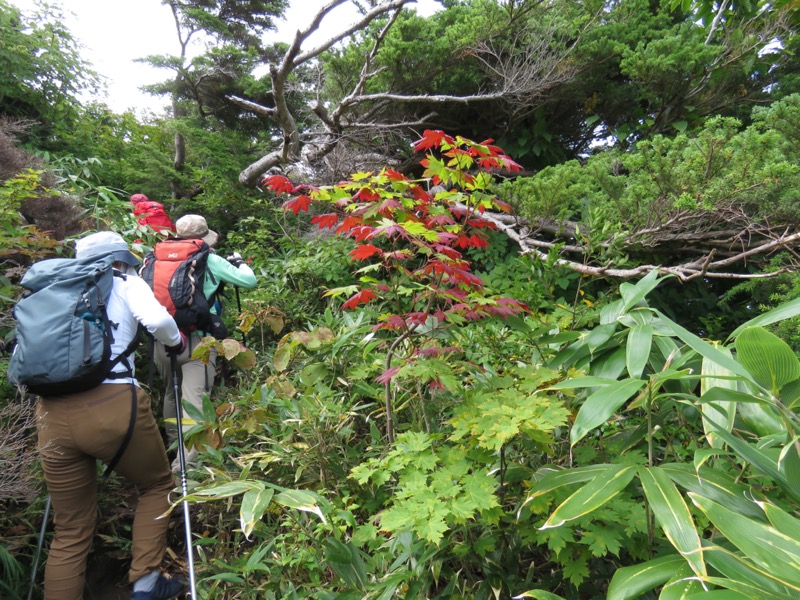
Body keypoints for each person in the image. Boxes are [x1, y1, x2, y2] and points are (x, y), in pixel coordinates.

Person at [34, 231, 186, 600]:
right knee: (155, 486)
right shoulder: (125, 281)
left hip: (50, 413)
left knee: (70, 528)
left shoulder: (50, 288)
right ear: (121, 257)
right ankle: (147, 584)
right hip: (114, 403)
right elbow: (159, 322)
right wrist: (176, 343)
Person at [152, 214, 257, 473]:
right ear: (203, 236)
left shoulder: (155, 258)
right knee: (194, 400)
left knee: (170, 393)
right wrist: (240, 262)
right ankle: (186, 468)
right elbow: (249, 281)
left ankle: (174, 448)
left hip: (162, 339)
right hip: (197, 339)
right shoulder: (209, 258)